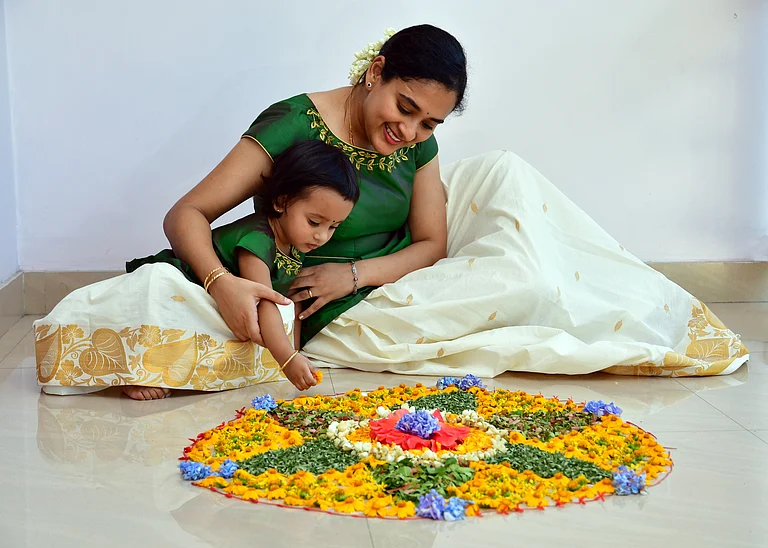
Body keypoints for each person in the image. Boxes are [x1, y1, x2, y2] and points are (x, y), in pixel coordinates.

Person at [35, 24, 748, 401]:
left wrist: (355, 273)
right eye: (404, 108)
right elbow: (186, 213)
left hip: (369, 278)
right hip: (283, 277)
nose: (410, 133)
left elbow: (433, 241)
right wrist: (224, 283)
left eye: (431, 123)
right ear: (375, 71)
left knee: (515, 204)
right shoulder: (291, 123)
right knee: (171, 296)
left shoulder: (419, 147)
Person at [124, 139, 359, 398]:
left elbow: (290, 302)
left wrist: (295, 350)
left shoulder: (295, 244)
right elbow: (265, 300)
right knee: (163, 309)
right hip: (185, 287)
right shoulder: (258, 239)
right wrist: (286, 358)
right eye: (314, 222)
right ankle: (141, 371)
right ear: (281, 202)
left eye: (332, 227)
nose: (322, 236)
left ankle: (179, 372)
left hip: (220, 308)